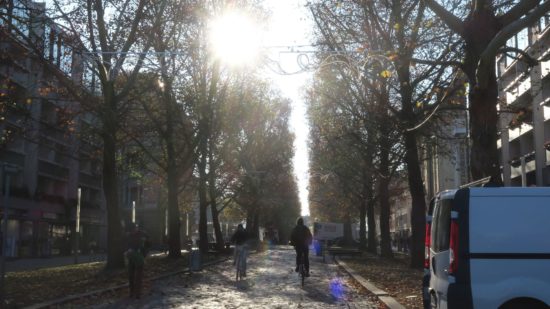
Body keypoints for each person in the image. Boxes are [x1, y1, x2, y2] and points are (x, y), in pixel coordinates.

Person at [126, 223, 148, 299]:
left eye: (135, 228)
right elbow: (125, 245)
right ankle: (132, 292)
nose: (134, 230)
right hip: (131, 257)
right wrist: (128, 250)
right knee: (131, 276)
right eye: (132, 230)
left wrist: (144, 252)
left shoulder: (143, 234)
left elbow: (147, 244)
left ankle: (138, 293)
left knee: (138, 276)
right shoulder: (129, 235)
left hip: (140, 257)